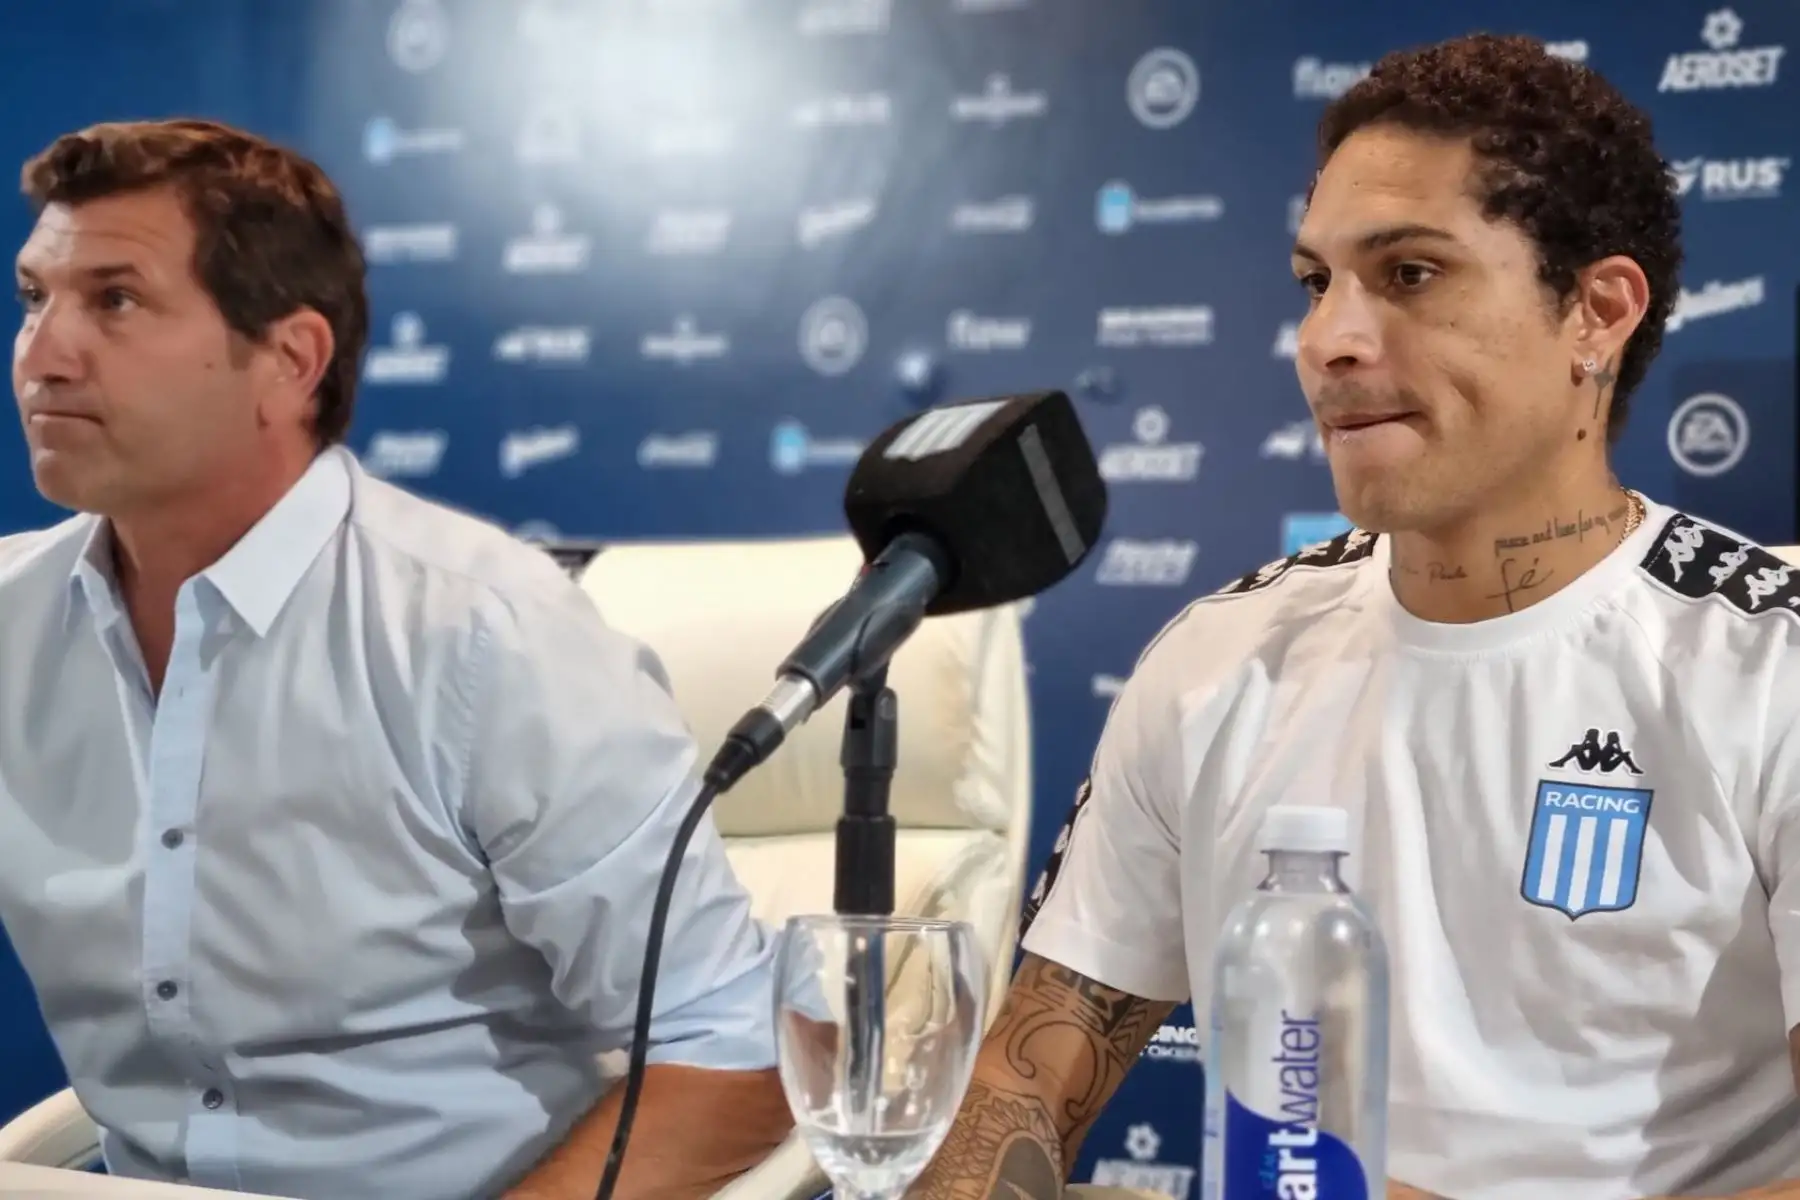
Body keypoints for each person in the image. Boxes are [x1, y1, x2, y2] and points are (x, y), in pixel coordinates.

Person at [911, 33, 1800, 1200]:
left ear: (1596, 312)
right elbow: (1025, 1084)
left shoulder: (1767, 662)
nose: (1329, 339)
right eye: (1314, 282)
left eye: (1411, 275)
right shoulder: (1216, 658)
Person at [0, 118, 791, 1200]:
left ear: (289, 360)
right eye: (33, 298)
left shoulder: (486, 634)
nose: (42, 355)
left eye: (116, 300)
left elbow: (736, 1042)